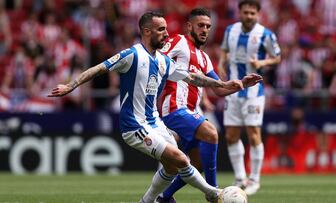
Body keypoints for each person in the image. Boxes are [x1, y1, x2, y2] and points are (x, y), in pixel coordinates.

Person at [48, 11, 245, 203]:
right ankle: (214, 194)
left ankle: (148, 200)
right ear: (147, 31)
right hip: (134, 125)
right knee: (181, 159)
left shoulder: (163, 61)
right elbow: (99, 68)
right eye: (161, 30)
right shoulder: (131, 55)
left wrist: (222, 84)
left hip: (155, 123)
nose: (166, 34)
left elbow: (192, 77)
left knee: (172, 167)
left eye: (166, 29)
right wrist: (70, 85)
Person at [156, 8, 262, 203]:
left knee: (197, 163)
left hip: (188, 111)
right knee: (211, 133)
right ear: (189, 26)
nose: (205, 30)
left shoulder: (204, 59)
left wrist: (242, 84)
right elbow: (155, 58)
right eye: (201, 25)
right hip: (172, 108)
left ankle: (164, 197)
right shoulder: (179, 41)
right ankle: (213, 194)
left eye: (208, 27)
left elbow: (220, 89)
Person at [217, 0, 281, 195]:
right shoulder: (230, 31)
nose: (249, 16)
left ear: (258, 14)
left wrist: (262, 62)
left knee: (253, 133)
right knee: (230, 135)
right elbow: (224, 51)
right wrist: (221, 65)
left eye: (253, 13)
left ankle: (255, 179)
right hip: (234, 90)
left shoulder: (266, 34)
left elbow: (277, 56)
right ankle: (240, 178)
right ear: (240, 12)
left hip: (254, 93)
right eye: (246, 12)